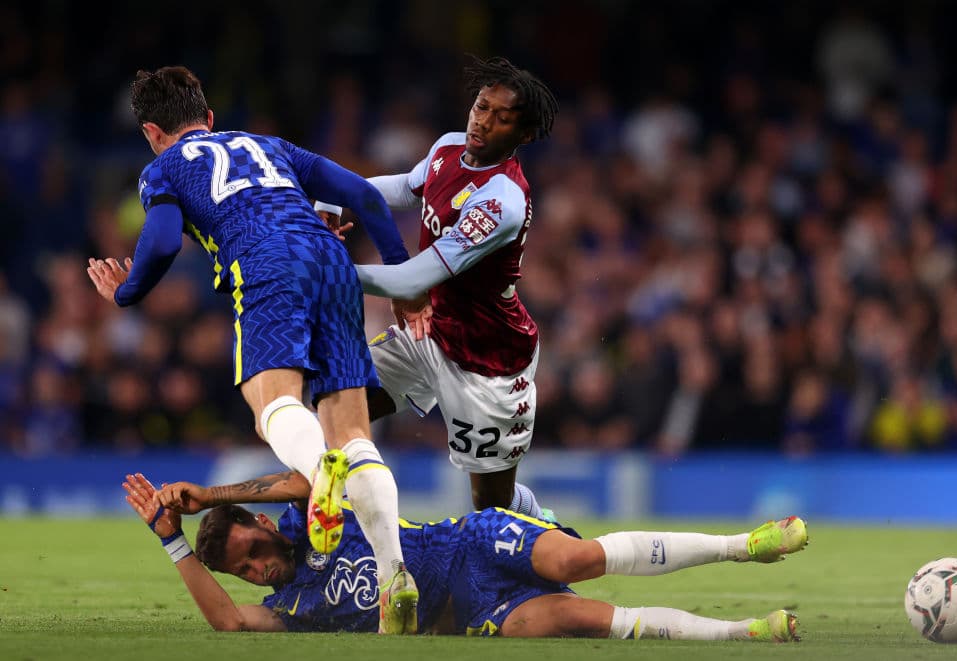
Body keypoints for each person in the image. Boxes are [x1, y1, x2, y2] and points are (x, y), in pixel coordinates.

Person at [85, 66, 420, 633]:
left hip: (265, 265)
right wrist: (403, 279)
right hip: (331, 263)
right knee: (353, 432)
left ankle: (320, 475)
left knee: (273, 412)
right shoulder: (269, 145)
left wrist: (127, 290)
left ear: (151, 131)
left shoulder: (162, 168)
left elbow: (163, 239)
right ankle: (394, 580)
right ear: (209, 119)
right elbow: (364, 195)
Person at [125, 470, 808, 640]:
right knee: (587, 620)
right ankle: (746, 632)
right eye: (242, 572)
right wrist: (170, 538)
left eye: (249, 551)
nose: (256, 570)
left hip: (467, 540)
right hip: (473, 609)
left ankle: (743, 545)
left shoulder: (309, 523)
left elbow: (308, 477)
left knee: (576, 561)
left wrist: (204, 494)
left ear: (257, 524)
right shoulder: (295, 608)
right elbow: (229, 623)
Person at [324, 55, 561, 518]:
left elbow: (414, 278)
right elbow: (401, 189)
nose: (483, 122)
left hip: (486, 357)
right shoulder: (449, 147)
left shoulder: (501, 202)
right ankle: (337, 518)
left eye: (502, 117)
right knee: (335, 401)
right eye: (480, 107)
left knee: (491, 508)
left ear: (524, 134)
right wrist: (337, 196)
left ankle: (548, 532)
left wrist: (327, 269)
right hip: (428, 330)